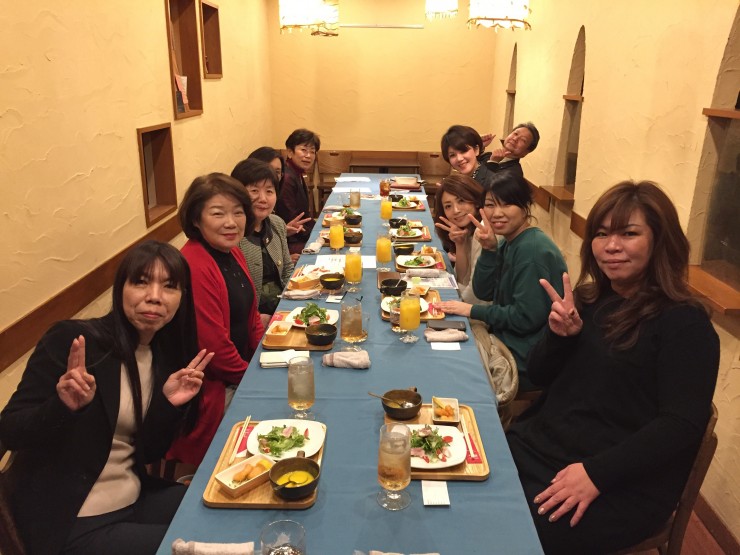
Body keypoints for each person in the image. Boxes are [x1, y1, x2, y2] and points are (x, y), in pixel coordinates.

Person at [506, 181, 720, 554]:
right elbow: (539, 375)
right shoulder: (590, 300)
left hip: (620, 481)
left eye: (629, 233)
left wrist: (596, 474)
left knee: (508, 530)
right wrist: (560, 337)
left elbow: (681, 424)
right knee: (469, 486)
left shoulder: (685, 323)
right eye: (602, 234)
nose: (611, 246)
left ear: (660, 241)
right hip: (545, 447)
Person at [0, 241, 213, 555]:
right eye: (141, 282)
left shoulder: (161, 355)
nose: (155, 296)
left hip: (133, 496)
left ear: (182, 297)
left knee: (219, 510)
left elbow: (150, 450)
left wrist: (166, 406)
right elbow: (9, 430)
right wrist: (62, 407)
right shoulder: (74, 342)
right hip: (71, 520)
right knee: (200, 549)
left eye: (169, 286)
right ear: (120, 288)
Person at [435, 173, 567, 391]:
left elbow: (524, 318)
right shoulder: (509, 241)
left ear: (525, 206)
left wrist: (472, 310)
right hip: (502, 337)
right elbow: (483, 291)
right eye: (490, 205)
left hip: (523, 357)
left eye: (507, 204)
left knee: (448, 369)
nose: (497, 213)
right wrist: (489, 250)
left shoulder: (532, 250)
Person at [167, 173, 263, 468]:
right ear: (196, 219)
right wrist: (256, 382)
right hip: (211, 391)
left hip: (239, 372)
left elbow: (252, 318)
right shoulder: (194, 265)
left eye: (238, 212)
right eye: (218, 213)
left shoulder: (232, 252)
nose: (231, 222)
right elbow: (215, 352)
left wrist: (266, 358)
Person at [231, 158, 295, 329]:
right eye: (254, 190)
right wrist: (257, 320)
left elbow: (287, 269)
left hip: (283, 310)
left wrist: (294, 304)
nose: (263, 199)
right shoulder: (232, 235)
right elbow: (235, 296)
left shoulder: (276, 224)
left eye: (269, 191)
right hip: (252, 321)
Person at [433, 173, 486, 303]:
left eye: (461, 201)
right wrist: (460, 244)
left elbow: (475, 294)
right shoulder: (467, 230)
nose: (456, 210)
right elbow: (462, 280)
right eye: (448, 206)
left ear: (476, 201)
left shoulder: (482, 231)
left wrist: (454, 302)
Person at [247, 146, 314, 239]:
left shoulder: (276, 219)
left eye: (277, 172)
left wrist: (282, 231)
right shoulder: (242, 217)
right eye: (255, 191)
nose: (272, 175)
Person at [277, 129, 320, 259]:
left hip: (299, 234)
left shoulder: (297, 173)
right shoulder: (287, 178)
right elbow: (291, 219)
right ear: (290, 152)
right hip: (290, 241)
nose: (308, 155)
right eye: (304, 150)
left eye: (312, 151)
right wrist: (317, 235)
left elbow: (304, 216)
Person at [440, 125, 498, 189]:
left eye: (463, 151)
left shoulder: (493, 183)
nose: (459, 159)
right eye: (452, 155)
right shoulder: (456, 182)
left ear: (476, 150)